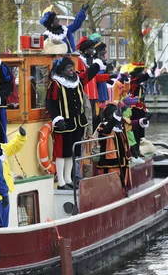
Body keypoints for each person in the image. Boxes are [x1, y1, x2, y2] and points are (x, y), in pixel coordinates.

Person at [46, 56, 102, 190]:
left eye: (72, 67)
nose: (71, 70)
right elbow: (51, 103)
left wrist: (97, 64)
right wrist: (56, 118)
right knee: (62, 154)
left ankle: (69, 179)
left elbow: (88, 75)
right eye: (68, 68)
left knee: (73, 153)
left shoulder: (77, 81)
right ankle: (61, 182)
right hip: (63, 124)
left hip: (77, 123)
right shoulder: (56, 84)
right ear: (61, 70)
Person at [0, 123, 26, 227]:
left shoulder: (2, 148)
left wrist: (21, 136)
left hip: (4, 192)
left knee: (4, 221)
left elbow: (14, 146)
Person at [96, 103, 130, 191]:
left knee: (122, 181)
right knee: (110, 184)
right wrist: (115, 119)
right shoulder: (103, 126)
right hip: (110, 163)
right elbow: (106, 131)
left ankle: (122, 191)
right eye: (114, 113)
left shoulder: (119, 126)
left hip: (122, 160)